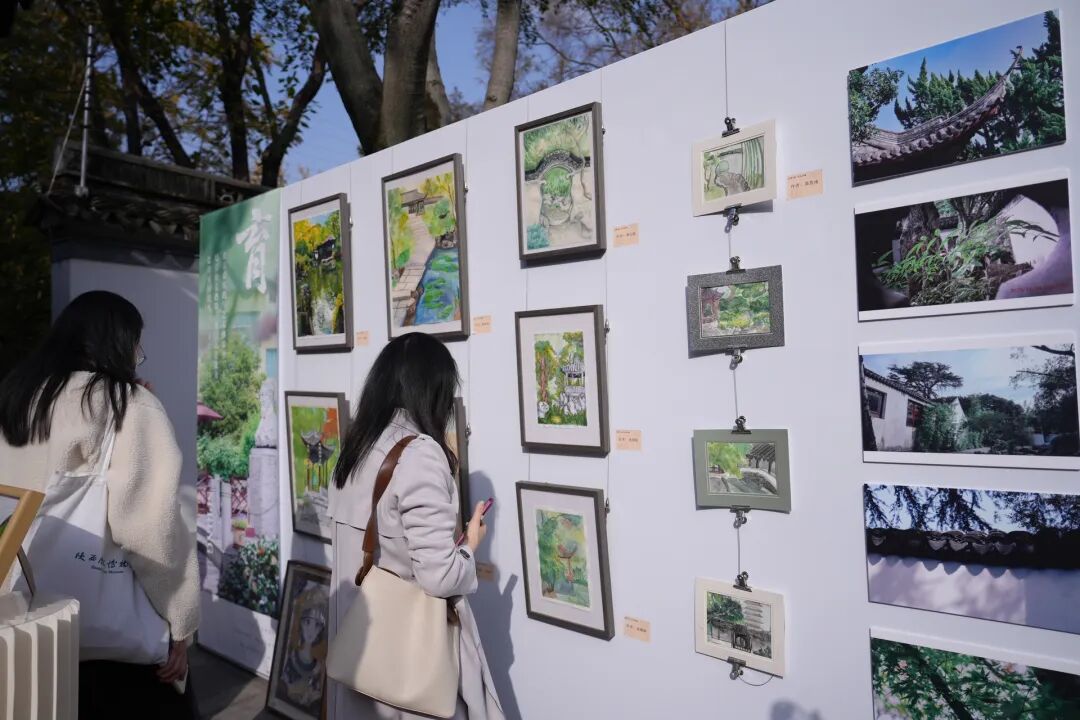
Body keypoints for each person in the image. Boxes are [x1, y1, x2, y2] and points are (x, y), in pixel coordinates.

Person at [0, 290, 200, 718]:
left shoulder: (19, 397)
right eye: (136, 346)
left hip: (17, 615)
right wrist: (180, 622)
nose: (137, 357)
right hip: (109, 643)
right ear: (118, 343)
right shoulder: (129, 405)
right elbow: (150, 531)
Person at [330, 332, 504, 720]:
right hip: (405, 668)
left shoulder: (356, 449)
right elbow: (439, 577)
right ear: (432, 391)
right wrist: (470, 544)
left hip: (359, 653)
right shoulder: (419, 454)